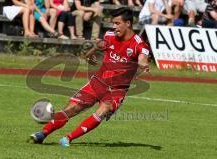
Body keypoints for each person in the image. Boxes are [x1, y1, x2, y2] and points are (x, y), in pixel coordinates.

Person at [29, 7, 150, 147]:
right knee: (72, 109)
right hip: (97, 82)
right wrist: (89, 56)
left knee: (105, 109)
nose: (114, 27)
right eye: (113, 23)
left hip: (117, 90)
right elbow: (99, 47)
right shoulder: (110, 36)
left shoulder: (139, 45)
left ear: (128, 23)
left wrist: (143, 64)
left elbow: (143, 58)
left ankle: (68, 138)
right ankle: (42, 134)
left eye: (117, 23)